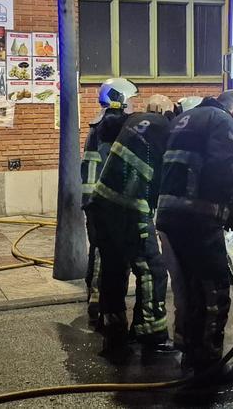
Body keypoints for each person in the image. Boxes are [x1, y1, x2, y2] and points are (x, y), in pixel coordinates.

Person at [155, 90, 233, 385]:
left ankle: (191, 354)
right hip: (195, 217)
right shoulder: (221, 119)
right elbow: (223, 167)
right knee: (215, 289)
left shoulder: (188, 117)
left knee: (192, 288)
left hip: (170, 215)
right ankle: (210, 365)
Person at [88, 94, 179, 361]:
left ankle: (113, 332)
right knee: (153, 269)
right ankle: (152, 334)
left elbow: (104, 127)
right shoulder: (165, 130)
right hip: (129, 208)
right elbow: (166, 177)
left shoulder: (133, 120)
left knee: (114, 268)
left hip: (102, 203)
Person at [81, 78, 139, 329]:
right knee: (109, 255)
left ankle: (96, 301)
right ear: (120, 99)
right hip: (106, 201)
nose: (134, 105)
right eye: (132, 100)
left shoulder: (98, 124)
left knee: (97, 250)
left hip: (94, 200)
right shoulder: (114, 126)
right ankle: (102, 305)